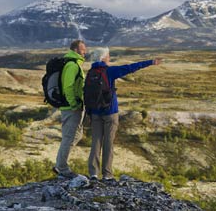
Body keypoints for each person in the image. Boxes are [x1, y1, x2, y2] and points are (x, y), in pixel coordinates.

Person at [86, 47, 162, 182]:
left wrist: (89, 113)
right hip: (110, 112)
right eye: (108, 56)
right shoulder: (110, 71)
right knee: (108, 143)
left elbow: (86, 93)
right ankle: (107, 175)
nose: (109, 58)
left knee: (96, 143)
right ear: (103, 58)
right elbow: (130, 67)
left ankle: (93, 174)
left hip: (95, 113)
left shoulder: (90, 72)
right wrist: (150, 62)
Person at [53, 39, 87, 179]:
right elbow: (68, 86)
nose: (85, 51)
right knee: (68, 137)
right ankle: (62, 168)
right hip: (71, 107)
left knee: (76, 135)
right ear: (76, 50)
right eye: (83, 49)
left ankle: (60, 164)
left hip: (74, 106)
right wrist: (74, 105)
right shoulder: (72, 65)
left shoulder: (74, 64)